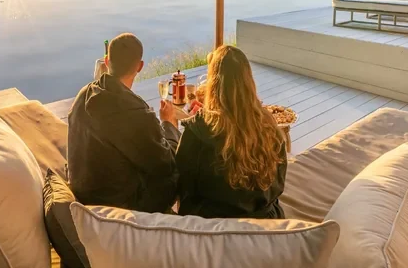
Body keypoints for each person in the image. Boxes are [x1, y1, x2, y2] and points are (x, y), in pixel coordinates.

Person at [68, 33, 181, 213]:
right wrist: (169, 124)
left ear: (107, 61)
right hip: (120, 206)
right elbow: (166, 166)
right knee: (183, 166)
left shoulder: (84, 95)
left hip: (84, 192)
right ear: (140, 66)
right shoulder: (137, 115)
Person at [175, 45, 287, 219]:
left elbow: (182, 184)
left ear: (213, 83)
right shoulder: (270, 127)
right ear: (248, 80)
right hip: (265, 224)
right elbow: (278, 187)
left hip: (213, 228)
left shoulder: (198, 131)